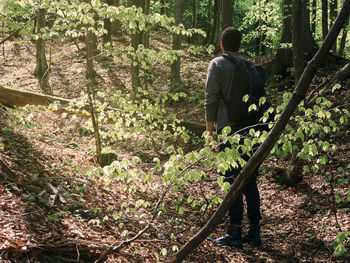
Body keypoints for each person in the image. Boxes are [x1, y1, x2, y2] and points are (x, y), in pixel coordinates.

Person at [205, 27, 262, 249]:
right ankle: (255, 233)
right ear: (240, 45)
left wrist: (209, 133)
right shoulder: (250, 66)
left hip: (229, 131)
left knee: (231, 181)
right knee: (249, 181)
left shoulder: (217, 64)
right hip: (254, 132)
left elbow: (211, 99)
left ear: (221, 44)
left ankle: (234, 234)